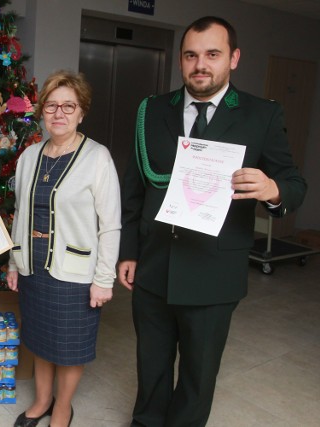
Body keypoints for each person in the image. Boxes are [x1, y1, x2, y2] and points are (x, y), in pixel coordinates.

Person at [117, 16, 307, 427]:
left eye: (212, 54)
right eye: (191, 55)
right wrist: (127, 252)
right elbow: (134, 189)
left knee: (199, 374)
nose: (200, 64)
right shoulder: (152, 110)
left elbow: (294, 182)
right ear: (182, 61)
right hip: (154, 263)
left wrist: (273, 189)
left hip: (214, 270)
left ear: (233, 59)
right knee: (151, 365)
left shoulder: (262, 115)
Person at [7, 70, 121, 427]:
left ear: (81, 112)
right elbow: (19, 215)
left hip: (75, 271)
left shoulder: (97, 158)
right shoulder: (29, 156)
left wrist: (104, 279)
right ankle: (42, 401)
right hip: (32, 267)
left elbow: (111, 224)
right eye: (52, 105)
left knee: (70, 349)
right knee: (40, 340)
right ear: (42, 111)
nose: (59, 113)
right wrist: (14, 262)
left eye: (68, 106)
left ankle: (62, 408)